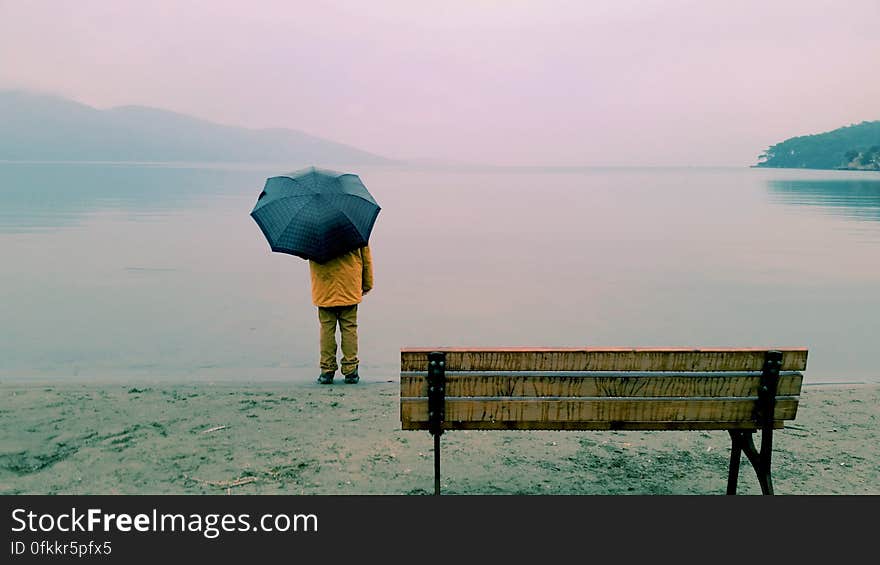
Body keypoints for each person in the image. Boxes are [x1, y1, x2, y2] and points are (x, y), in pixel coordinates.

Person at [309, 245, 373, 384]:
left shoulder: (314, 235)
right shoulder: (354, 230)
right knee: (349, 328)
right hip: (349, 285)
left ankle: (327, 371)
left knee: (326, 329)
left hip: (324, 286)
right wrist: (367, 284)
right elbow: (366, 260)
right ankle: (351, 371)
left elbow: (306, 254)